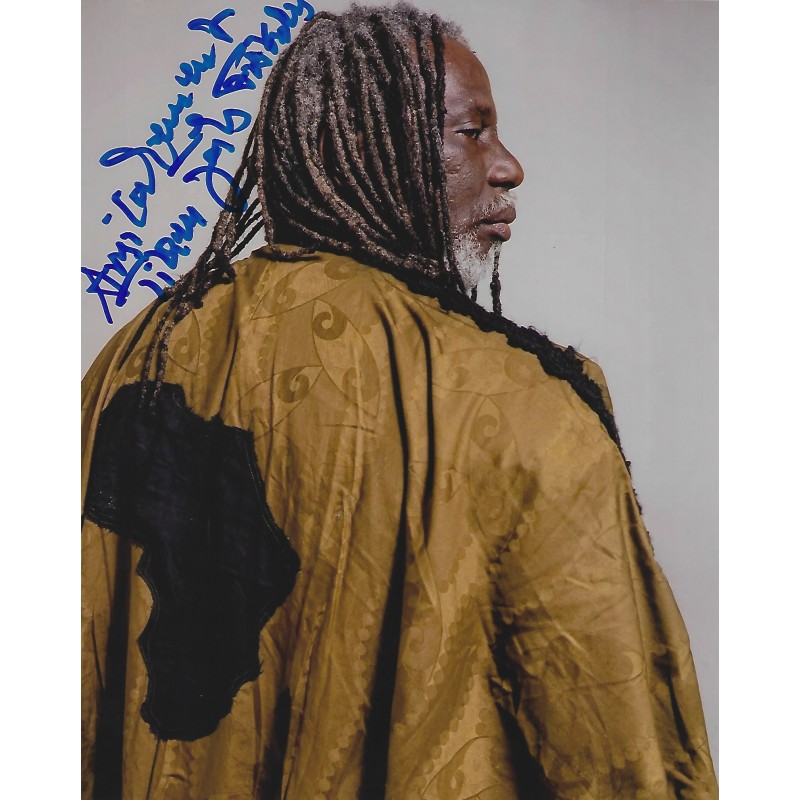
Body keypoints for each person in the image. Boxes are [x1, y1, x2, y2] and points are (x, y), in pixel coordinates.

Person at [81, 3, 718, 798]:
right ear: (362, 147)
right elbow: (619, 754)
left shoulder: (129, 363)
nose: (509, 166)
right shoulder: (522, 409)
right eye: (471, 132)